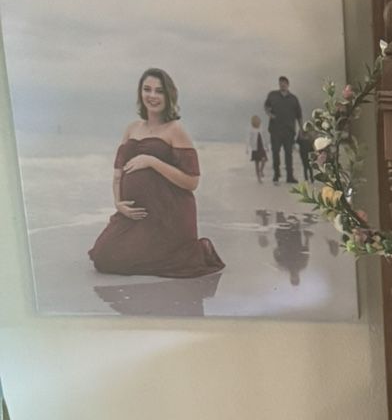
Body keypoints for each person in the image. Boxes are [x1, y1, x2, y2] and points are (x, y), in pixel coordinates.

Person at [90, 67, 225, 280]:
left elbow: (192, 181)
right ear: (140, 93)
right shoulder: (132, 128)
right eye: (147, 89)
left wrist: (152, 162)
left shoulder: (175, 130)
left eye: (159, 91)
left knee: (117, 260)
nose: (152, 96)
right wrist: (118, 204)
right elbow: (118, 174)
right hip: (134, 215)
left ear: (169, 95)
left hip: (167, 215)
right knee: (102, 256)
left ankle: (193, 251)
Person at [264, 75, 304, 184]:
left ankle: (290, 176)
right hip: (275, 130)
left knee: (288, 154)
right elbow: (266, 106)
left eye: (284, 83)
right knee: (275, 152)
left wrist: (301, 129)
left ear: (288, 84)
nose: (282, 85)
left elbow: (299, 116)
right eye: (280, 83)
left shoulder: (293, 99)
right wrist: (269, 114)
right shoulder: (272, 95)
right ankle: (276, 174)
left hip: (289, 131)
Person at [249, 113, 267, 183]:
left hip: (261, 147)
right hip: (255, 148)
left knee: (264, 160)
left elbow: (264, 138)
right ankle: (258, 178)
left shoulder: (261, 129)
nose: (258, 123)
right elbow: (249, 139)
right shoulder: (252, 130)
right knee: (256, 163)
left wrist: (266, 146)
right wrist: (248, 148)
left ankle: (261, 170)